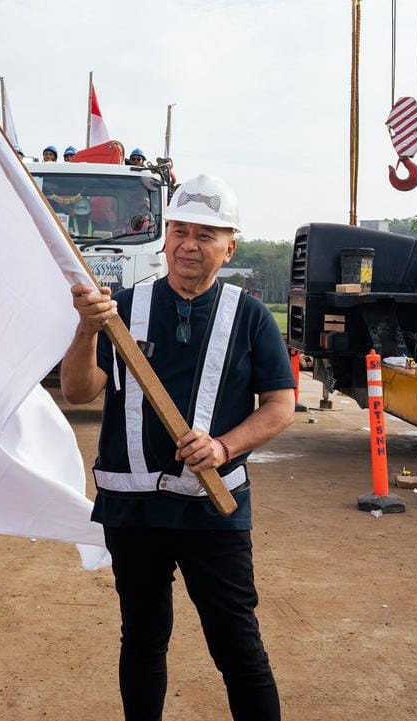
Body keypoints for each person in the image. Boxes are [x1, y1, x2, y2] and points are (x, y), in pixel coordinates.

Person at [61, 173, 296, 721]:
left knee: (237, 644)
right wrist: (85, 331)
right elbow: (77, 392)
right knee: (142, 638)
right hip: (133, 509)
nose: (189, 244)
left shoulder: (251, 316)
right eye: (180, 231)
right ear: (165, 237)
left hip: (213, 507)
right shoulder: (118, 308)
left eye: (206, 235)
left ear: (229, 246)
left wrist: (222, 447)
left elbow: (280, 406)